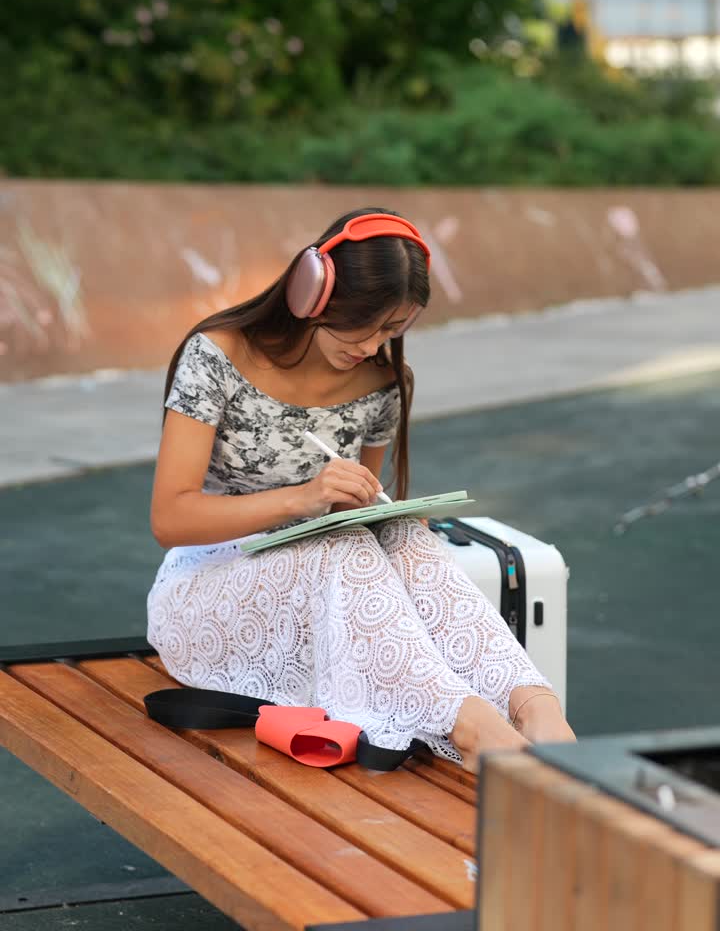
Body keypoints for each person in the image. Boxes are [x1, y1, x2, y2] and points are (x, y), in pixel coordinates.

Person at [147, 206, 575, 770]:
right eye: (363, 324)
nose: (373, 346)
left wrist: (382, 511)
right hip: (209, 599)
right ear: (312, 294)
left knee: (403, 536)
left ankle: (536, 707)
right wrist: (303, 498)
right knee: (339, 547)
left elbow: (360, 505)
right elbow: (169, 519)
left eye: (393, 330)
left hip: (324, 605)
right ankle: (469, 724)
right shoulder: (218, 356)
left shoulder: (380, 384)